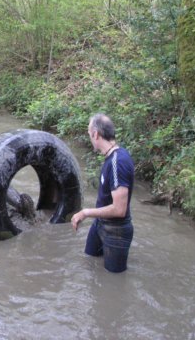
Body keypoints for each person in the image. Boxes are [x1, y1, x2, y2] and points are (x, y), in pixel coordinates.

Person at [71, 113, 135, 273]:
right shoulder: (112, 158)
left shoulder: (117, 162)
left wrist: (86, 212)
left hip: (116, 232)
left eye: (88, 133)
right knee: (89, 262)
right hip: (100, 224)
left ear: (96, 134)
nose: (89, 138)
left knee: (114, 281)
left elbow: (119, 209)